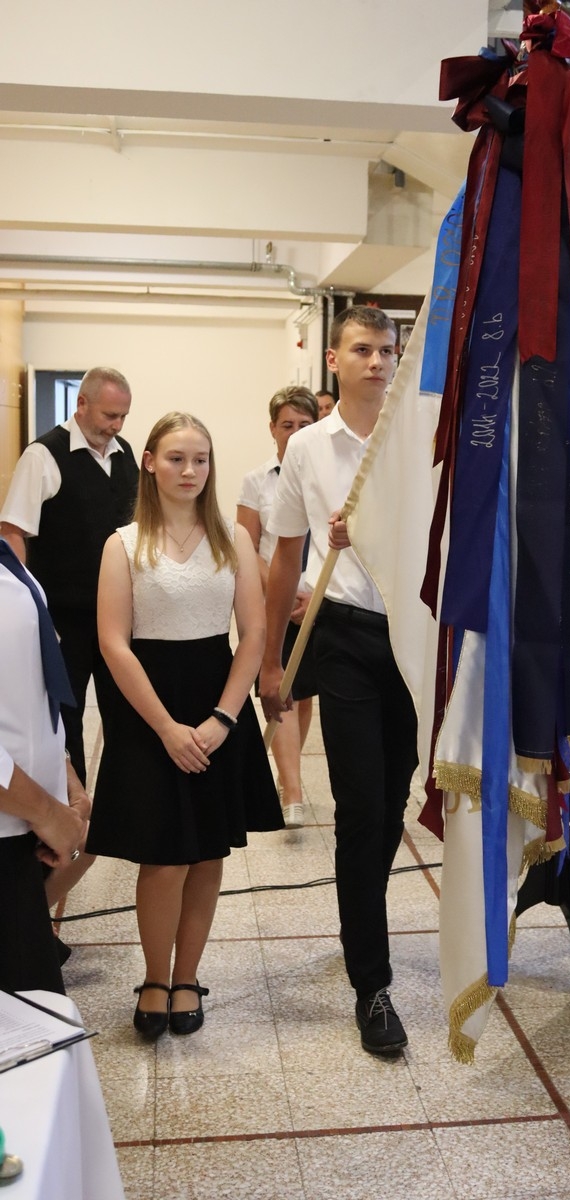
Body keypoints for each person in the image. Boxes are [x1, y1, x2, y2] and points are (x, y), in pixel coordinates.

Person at [86, 412, 283, 1040]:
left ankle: (188, 976)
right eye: (176, 458)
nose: (190, 470)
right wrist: (168, 729)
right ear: (149, 462)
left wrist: (224, 717)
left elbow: (253, 633)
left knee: (205, 854)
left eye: (200, 459)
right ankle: (154, 976)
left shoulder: (232, 539)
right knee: (163, 857)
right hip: (148, 711)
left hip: (215, 704)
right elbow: (114, 643)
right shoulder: (122, 544)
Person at [260, 306, 418, 1057]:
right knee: (359, 805)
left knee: (392, 803)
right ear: (334, 359)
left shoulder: (420, 434)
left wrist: (381, 529)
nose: (377, 361)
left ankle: (363, 909)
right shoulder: (307, 448)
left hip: (412, 637)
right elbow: (286, 556)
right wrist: (270, 658)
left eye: (387, 349)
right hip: (345, 635)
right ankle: (372, 984)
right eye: (362, 349)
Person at [0, 366, 138, 785]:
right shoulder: (43, 455)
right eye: (109, 415)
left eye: (123, 417)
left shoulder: (125, 452)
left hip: (119, 613)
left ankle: (122, 803)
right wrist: (28, 607)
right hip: (65, 618)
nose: (116, 426)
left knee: (126, 710)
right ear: (81, 404)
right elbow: (13, 531)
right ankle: (72, 803)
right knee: (67, 715)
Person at [0, 538, 89, 994]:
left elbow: (30, 689)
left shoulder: (9, 563)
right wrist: (49, 813)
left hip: (22, 823)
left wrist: (65, 775)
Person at [237, 386, 319, 829]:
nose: (295, 432)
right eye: (287, 425)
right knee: (281, 691)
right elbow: (247, 546)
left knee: (303, 696)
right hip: (276, 601)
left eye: (305, 425)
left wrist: (311, 595)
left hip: (321, 598)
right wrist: (284, 594)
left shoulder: (326, 475)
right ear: (272, 428)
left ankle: (292, 775)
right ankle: (292, 789)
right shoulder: (257, 481)